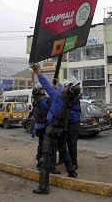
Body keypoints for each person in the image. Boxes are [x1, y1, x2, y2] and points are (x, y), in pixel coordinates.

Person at [29, 62, 78, 195]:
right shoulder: (71, 100)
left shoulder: (57, 97)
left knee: (45, 157)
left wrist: (38, 72)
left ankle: (44, 187)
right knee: (64, 151)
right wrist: (58, 85)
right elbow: (63, 90)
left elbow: (46, 84)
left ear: (67, 90)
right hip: (62, 130)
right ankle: (72, 173)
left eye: (65, 87)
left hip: (51, 130)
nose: (64, 87)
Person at [66, 90, 81, 170]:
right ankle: (65, 159)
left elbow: (71, 106)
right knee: (66, 143)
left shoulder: (74, 98)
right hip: (68, 122)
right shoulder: (71, 97)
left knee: (72, 144)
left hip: (73, 122)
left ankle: (74, 163)